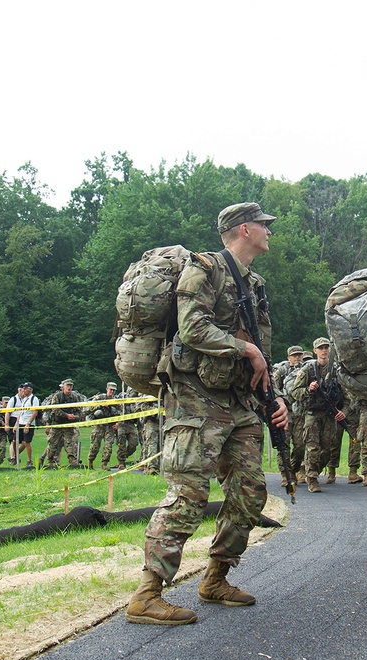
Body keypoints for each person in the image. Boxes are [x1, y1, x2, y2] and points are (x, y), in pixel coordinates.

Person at [125, 201, 288, 626]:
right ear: (244, 229)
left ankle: (215, 577)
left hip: (237, 403)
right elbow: (193, 327)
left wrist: (275, 395)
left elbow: (262, 349)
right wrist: (244, 349)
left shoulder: (255, 283)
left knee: (250, 493)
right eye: (264, 226)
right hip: (195, 400)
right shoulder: (205, 269)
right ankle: (147, 594)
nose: (269, 232)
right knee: (188, 495)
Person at [290, 337, 347, 493]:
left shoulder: (336, 370)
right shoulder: (308, 369)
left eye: (326, 347)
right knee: (312, 447)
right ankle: (312, 479)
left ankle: (310, 470)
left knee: (327, 450)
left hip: (330, 414)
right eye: (320, 348)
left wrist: (343, 411)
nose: (324, 350)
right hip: (312, 413)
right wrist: (309, 389)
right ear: (315, 351)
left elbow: (346, 393)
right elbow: (295, 391)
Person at [272, 345, 306, 485]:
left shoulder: (306, 370)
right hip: (286, 413)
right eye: (294, 355)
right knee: (283, 444)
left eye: (299, 355)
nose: (297, 358)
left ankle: (295, 469)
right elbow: (274, 389)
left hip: (300, 413)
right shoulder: (282, 371)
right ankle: (286, 474)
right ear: (288, 358)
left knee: (300, 445)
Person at [42, 378, 86, 468]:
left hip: (68, 424)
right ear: (63, 387)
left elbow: (79, 410)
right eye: (67, 386)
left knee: (69, 442)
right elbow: (55, 409)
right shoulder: (57, 396)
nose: (69, 388)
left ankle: (72, 460)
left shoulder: (75, 397)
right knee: (53, 442)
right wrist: (66, 415)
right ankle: (50, 461)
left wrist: (75, 417)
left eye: (71, 386)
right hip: (57, 423)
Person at [86, 381, 120, 470]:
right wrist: (100, 405)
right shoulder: (99, 398)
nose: (112, 392)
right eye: (110, 390)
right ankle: (90, 462)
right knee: (95, 445)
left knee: (108, 446)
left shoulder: (116, 401)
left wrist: (117, 423)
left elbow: (120, 413)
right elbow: (88, 409)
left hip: (110, 426)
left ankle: (104, 464)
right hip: (99, 426)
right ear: (106, 389)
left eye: (113, 390)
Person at [5, 383, 39, 467]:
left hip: (28, 423)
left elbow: (35, 412)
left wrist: (28, 424)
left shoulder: (34, 399)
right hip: (20, 422)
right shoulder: (24, 399)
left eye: (25, 388)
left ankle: (29, 460)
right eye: (22, 388)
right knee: (14, 441)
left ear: (30, 389)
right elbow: (21, 412)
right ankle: (15, 457)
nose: (23, 390)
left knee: (26, 442)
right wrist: (17, 423)